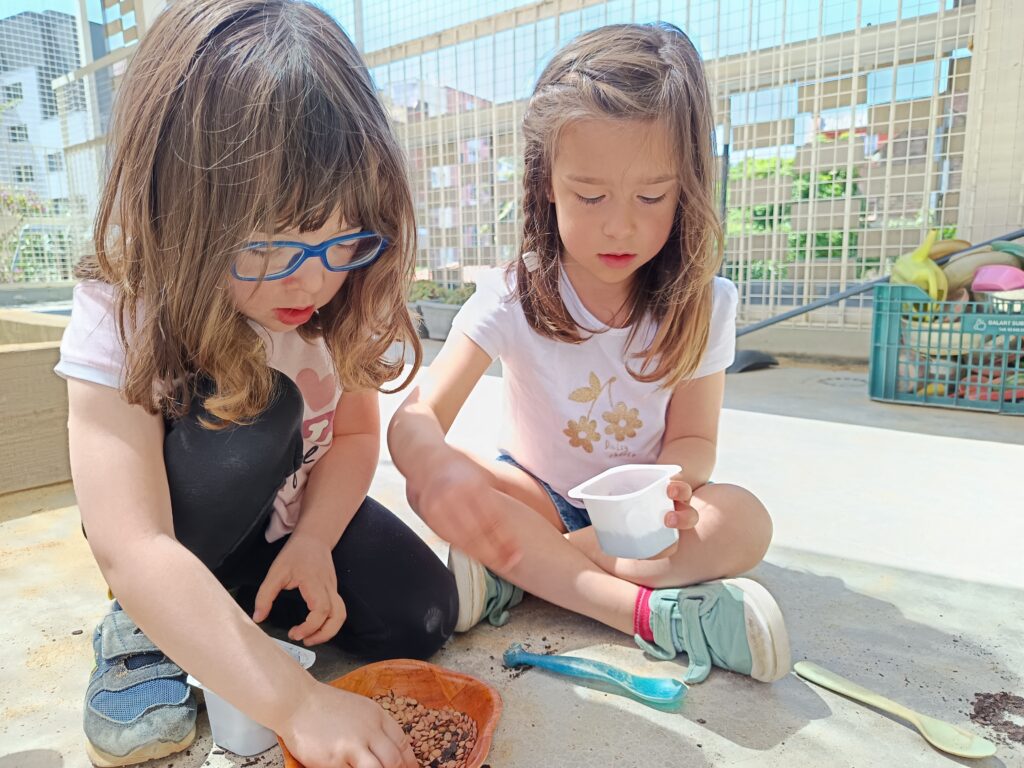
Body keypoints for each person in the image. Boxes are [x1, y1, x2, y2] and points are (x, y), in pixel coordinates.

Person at [56, 2, 455, 766]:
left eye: (341, 238)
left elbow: (356, 432)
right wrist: (296, 702)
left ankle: (236, 613)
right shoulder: (126, 305)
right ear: (180, 212)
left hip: (285, 522)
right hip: (181, 535)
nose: (313, 281)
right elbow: (130, 541)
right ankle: (146, 632)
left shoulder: (344, 287)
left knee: (423, 614)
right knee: (268, 410)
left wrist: (313, 541)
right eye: (272, 247)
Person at [388, 22, 790, 687]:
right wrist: (434, 463)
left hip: (645, 512)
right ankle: (652, 610)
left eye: (652, 197)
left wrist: (672, 487)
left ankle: (521, 570)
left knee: (744, 523)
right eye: (590, 195)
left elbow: (694, 439)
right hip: (536, 494)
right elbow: (418, 415)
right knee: (438, 480)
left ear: (686, 187)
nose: (620, 225)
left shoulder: (703, 301)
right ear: (546, 181)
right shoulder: (513, 294)